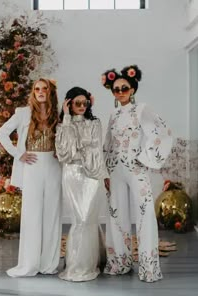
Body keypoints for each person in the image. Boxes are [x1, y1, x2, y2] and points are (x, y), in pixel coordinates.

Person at [101, 65, 173, 282]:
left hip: (136, 169)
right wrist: (106, 171)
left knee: (145, 215)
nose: (120, 92)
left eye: (124, 87)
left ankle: (149, 268)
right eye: (116, 89)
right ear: (112, 92)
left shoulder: (142, 109)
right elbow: (107, 144)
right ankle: (119, 263)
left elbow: (162, 132)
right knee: (116, 215)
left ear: (132, 89)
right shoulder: (113, 115)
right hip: (115, 171)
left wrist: (144, 158)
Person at [0, 78, 62, 277]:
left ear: (50, 92)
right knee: (32, 216)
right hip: (32, 167)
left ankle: (49, 264)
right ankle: (29, 264)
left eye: (44, 89)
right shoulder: (23, 113)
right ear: (33, 92)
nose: (41, 92)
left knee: (52, 215)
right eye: (37, 89)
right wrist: (18, 153)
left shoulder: (57, 115)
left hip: (53, 166)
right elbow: (1, 133)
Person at [55, 87, 105, 282]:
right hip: (72, 175)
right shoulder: (62, 125)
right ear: (69, 104)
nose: (82, 106)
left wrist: (77, 150)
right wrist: (66, 119)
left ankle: (88, 265)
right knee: (79, 220)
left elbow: (95, 150)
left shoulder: (95, 123)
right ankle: (77, 265)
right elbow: (64, 154)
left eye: (85, 103)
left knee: (88, 219)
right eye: (77, 103)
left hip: (92, 176)